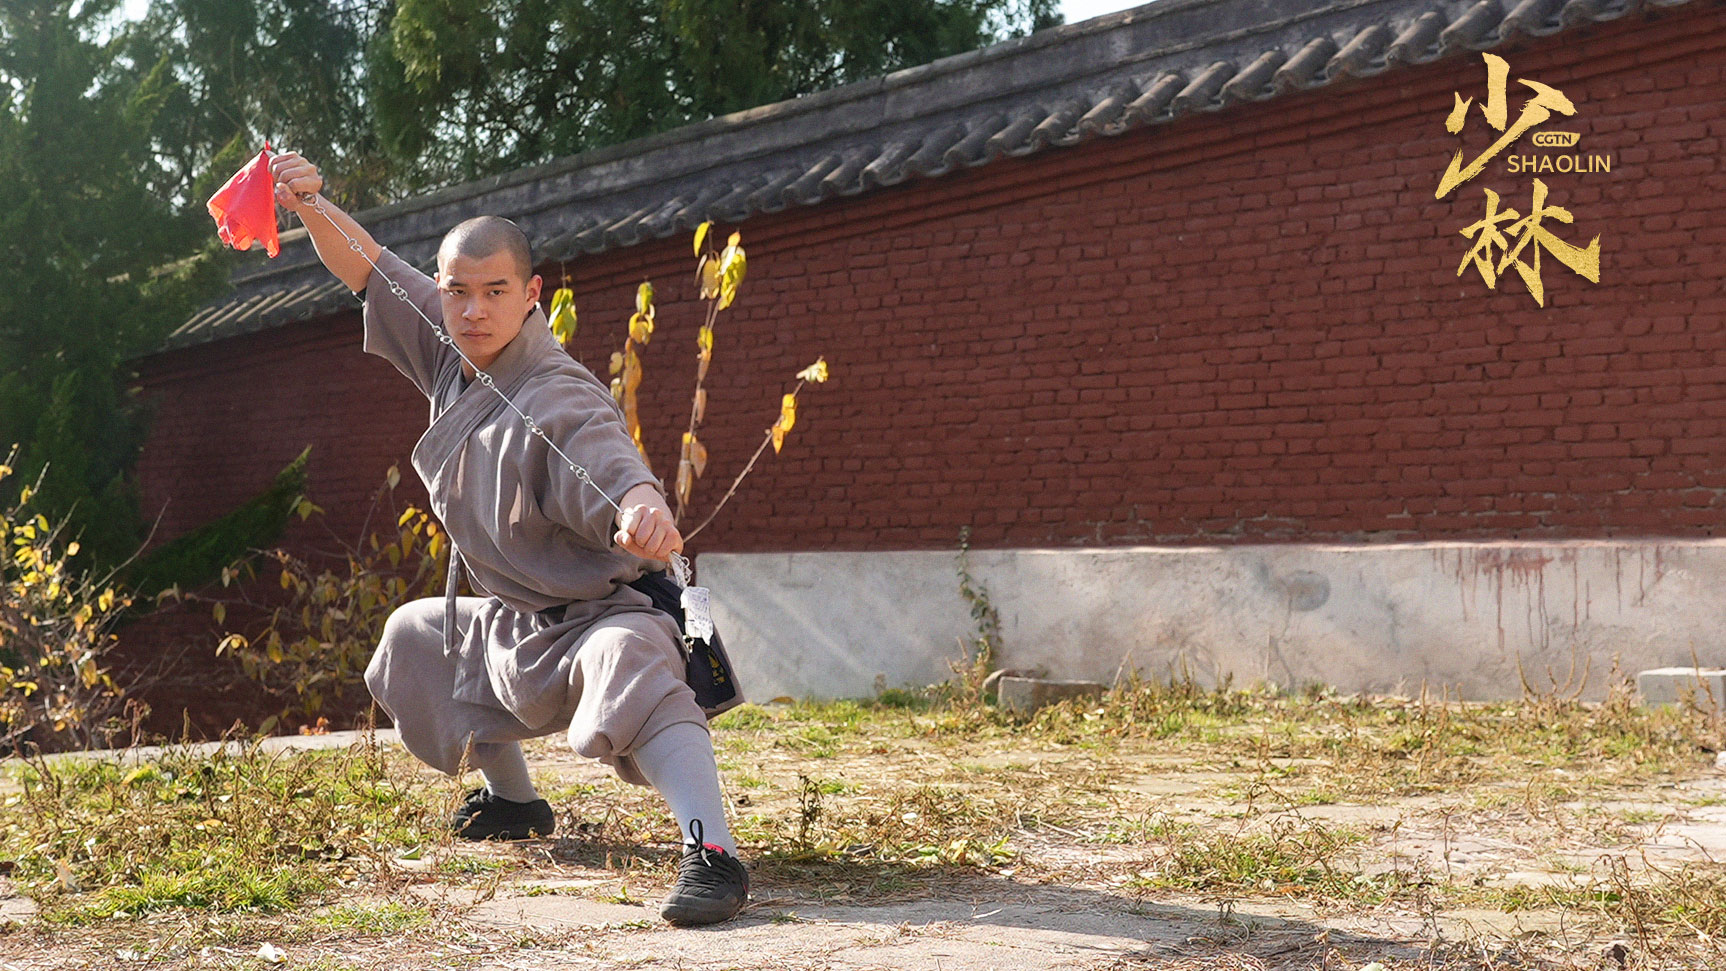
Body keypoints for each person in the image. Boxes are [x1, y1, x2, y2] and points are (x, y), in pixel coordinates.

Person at [267, 152, 747, 926]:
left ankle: (714, 852)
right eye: (457, 291)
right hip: (514, 626)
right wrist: (311, 205)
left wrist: (642, 505)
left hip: (603, 619)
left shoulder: (556, 391)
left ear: (532, 297)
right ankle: (516, 802)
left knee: (631, 659)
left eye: (495, 292)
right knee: (415, 637)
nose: (473, 310)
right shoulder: (450, 345)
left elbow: (609, 457)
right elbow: (372, 270)